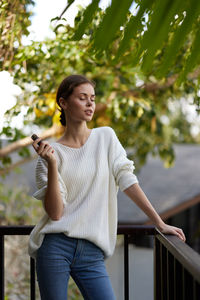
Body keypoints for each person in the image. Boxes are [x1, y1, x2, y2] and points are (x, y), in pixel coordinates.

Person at [29, 74, 185, 300]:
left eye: (92, 98)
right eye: (82, 98)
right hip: (55, 247)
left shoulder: (106, 137)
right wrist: (52, 164)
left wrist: (159, 222)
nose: (90, 103)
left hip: (92, 250)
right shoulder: (50, 155)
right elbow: (55, 213)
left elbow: (127, 180)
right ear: (63, 103)